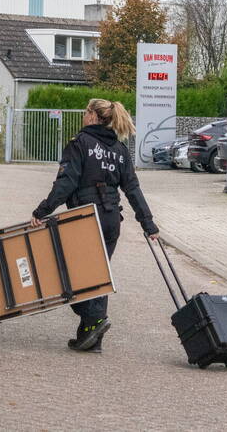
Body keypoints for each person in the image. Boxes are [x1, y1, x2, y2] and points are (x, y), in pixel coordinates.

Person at [29, 98, 160, 353]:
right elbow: (133, 189)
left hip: (86, 219)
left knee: (70, 277)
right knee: (97, 277)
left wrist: (42, 211)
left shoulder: (80, 143)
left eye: (85, 112)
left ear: (92, 116)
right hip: (111, 221)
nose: (83, 116)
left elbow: (66, 183)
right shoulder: (120, 150)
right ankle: (91, 339)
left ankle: (95, 319)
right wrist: (149, 224)